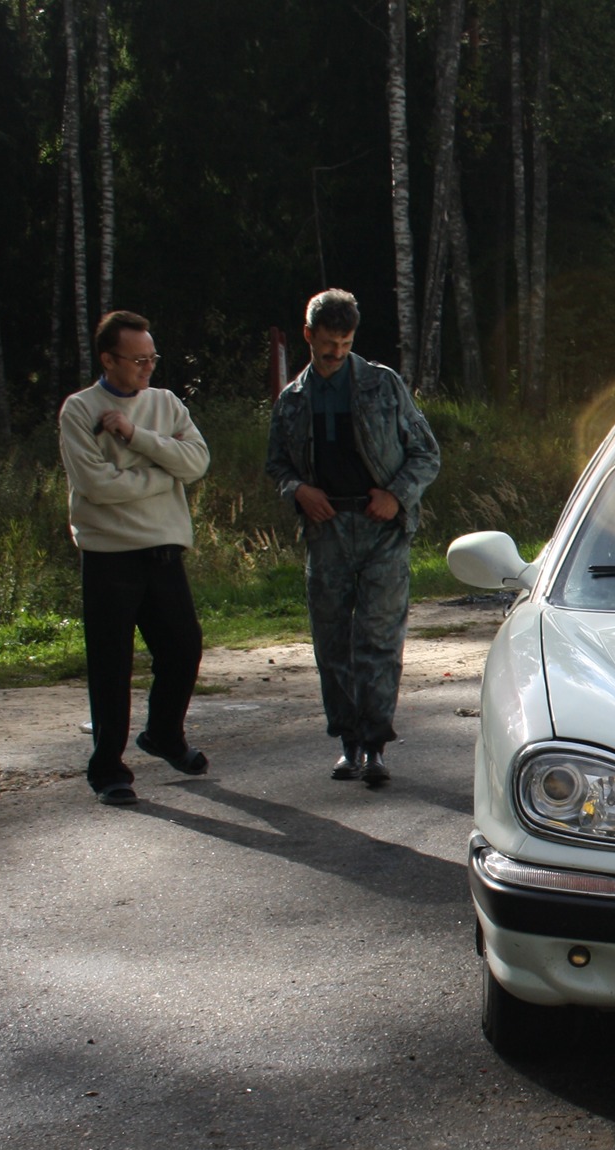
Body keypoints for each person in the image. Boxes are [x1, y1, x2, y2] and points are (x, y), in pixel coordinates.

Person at [266, 289, 441, 787]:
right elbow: (276, 465)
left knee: (380, 639)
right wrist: (299, 490)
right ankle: (348, 743)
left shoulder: (383, 385)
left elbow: (426, 454)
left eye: (345, 345)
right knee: (332, 641)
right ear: (308, 336)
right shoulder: (292, 400)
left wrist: (397, 494)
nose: (336, 354)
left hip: (382, 526)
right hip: (326, 530)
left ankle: (377, 745)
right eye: (327, 346)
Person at [59, 311, 211, 806]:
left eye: (153, 357)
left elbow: (197, 462)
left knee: (184, 649)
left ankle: (164, 734)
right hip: (109, 555)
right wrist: (161, 476)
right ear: (109, 359)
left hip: (164, 549)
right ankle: (108, 768)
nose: (148, 367)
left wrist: (134, 437)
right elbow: (94, 485)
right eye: (138, 359)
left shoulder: (165, 404)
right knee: (110, 663)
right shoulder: (80, 410)